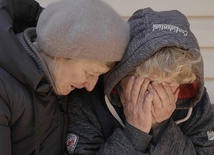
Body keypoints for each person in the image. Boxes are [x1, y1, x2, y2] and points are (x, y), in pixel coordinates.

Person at [67, 8, 214, 154]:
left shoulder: (195, 103)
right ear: (123, 72)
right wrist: (134, 133)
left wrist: (162, 127)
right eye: (148, 82)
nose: (155, 96)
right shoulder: (89, 96)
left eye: (168, 84)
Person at [0, 0, 130, 154]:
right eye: (90, 73)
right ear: (61, 52)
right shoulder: (4, 88)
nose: (90, 86)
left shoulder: (62, 82)